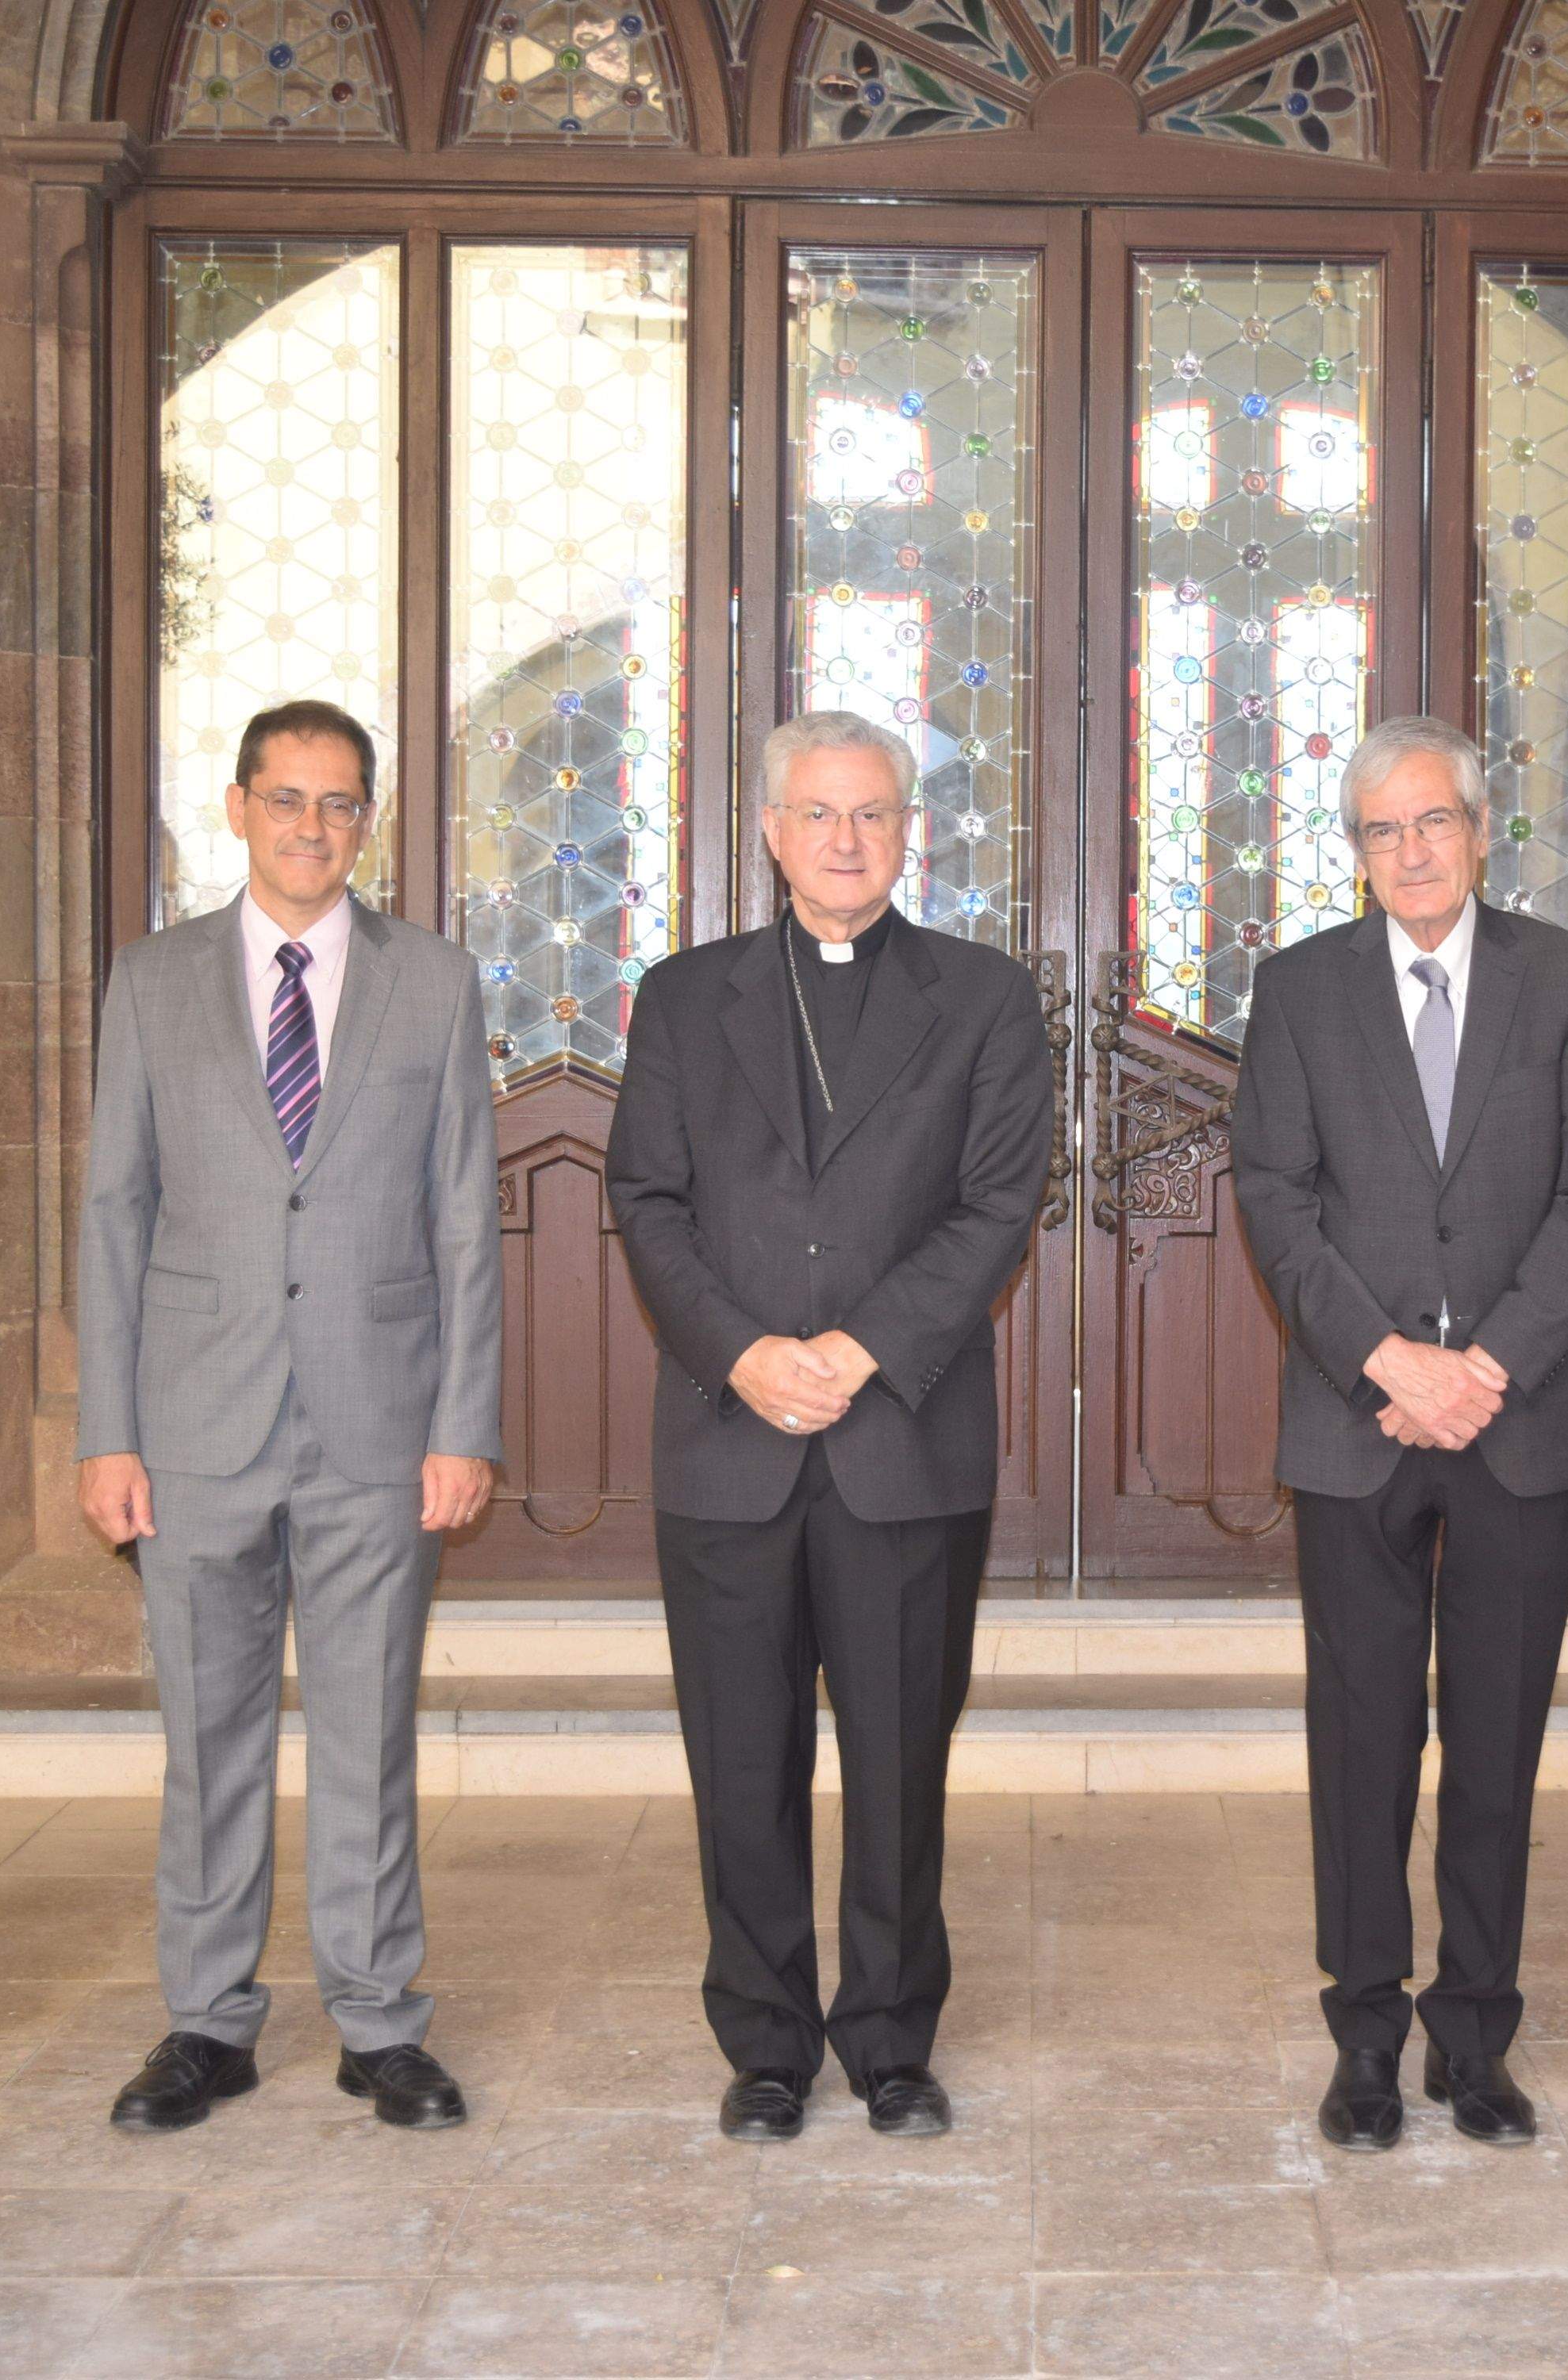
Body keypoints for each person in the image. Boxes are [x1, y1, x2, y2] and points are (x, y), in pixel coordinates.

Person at [606, 711, 1052, 2144]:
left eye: (871, 814)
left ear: (906, 832)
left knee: (901, 1761)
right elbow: (649, 1202)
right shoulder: (685, 999)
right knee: (741, 1767)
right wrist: (744, 1357)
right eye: (817, 813)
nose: (845, 839)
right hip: (731, 1442)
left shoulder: (982, 998)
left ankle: (891, 2036)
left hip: (900, 1442)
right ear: (771, 832)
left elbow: (997, 1206)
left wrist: (856, 1350)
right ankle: (766, 2042)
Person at [76, 699, 503, 2133]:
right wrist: (106, 1433)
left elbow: (464, 1221)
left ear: (366, 821)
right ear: (240, 807)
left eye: (339, 803)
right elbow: (114, 1214)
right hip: (195, 1425)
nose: (312, 826)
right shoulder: (151, 982)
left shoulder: (433, 984)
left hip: (381, 1428)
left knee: (372, 1735)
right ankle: (207, 2020)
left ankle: (380, 2021)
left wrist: (465, 1425)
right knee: (211, 1739)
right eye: (287, 799)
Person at [1228, 716, 1568, 2153]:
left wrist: (1491, 1367)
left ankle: (1477, 2037)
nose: (1410, 852)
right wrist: (1390, 1359)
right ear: (1356, 855)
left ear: (1480, 830)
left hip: (1521, 1429)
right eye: (1381, 832)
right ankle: (1363, 2038)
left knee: (1495, 1741)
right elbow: (1273, 1197)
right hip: (1359, 1426)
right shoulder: (1300, 991)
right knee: (1362, 1738)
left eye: (1434, 824)